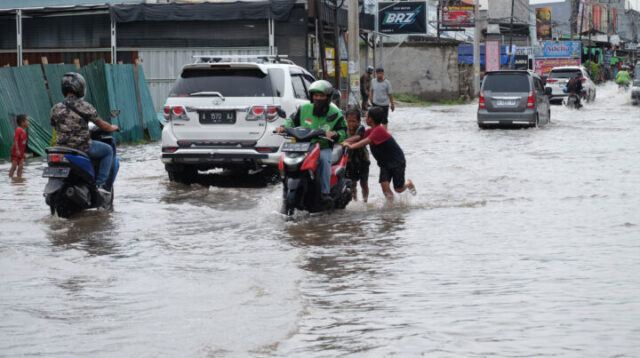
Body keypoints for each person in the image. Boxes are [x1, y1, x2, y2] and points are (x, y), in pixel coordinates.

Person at [276, 80, 347, 202]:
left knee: (324, 161)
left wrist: (334, 134)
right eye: (316, 95)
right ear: (311, 96)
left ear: (328, 97)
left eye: (321, 96)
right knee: (285, 161)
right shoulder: (303, 108)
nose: (318, 98)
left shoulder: (335, 113)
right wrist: (283, 127)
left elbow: (343, 132)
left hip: (322, 146)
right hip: (302, 146)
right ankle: (285, 188)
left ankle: (325, 193)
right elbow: (291, 120)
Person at [50, 72, 119, 193]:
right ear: (79, 87)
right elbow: (102, 125)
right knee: (108, 150)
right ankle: (101, 185)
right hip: (82, 147)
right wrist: (113, 127)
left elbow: (55, 126)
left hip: (61, 148)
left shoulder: (55, 108)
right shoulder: (85, 106)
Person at [342, 107, 416, 201]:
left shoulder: (379, 130)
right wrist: (343, 142)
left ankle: (409, 183)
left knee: (398, 189)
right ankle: (391, 207)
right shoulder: (369, 131)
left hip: (397, 161)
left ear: (371, 119)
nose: (366, 118)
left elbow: (365, 141)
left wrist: (350, 146)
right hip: (384, 164)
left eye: (367, 116)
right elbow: (359, 138)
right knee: (384, 185)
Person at [342, 108, 370, 203]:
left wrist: (345, 141)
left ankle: (365, 201)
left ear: (358, 121)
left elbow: (358, 137)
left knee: (364, 182)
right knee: (353, 183)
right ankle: (355, 200)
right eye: (349, 121)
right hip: (350, 160)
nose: (351, 124)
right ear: (346, 120)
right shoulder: (344, 129)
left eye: (354, 121)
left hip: (363, 159)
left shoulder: (361, 128)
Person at [9, 114, 29, 179]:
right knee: (14, 167)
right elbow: (16, 140)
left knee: (20, 168)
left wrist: (23, 153)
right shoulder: (18, 130)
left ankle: (19, 180)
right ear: (22, 122)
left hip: (21, 154)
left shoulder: (24, 132)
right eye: (27, 121)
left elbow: (23, 144)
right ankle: (10, 179)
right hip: (15, 153)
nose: (28, 122)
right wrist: (17, 150)